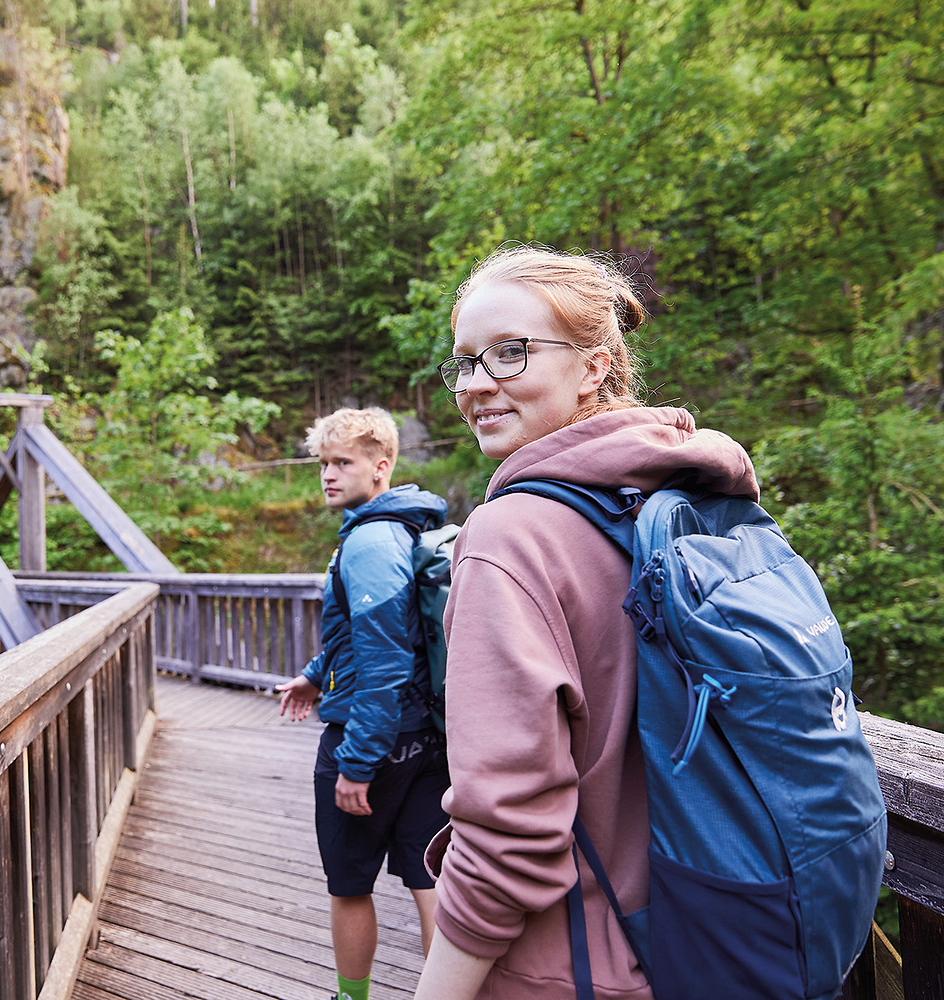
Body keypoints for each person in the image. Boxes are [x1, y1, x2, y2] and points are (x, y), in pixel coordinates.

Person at [412, 246, 759, 1000]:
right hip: (704, 939)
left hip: (566, 966)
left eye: (511, 353)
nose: (477, 384)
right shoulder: (682, 506)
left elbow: (509, 831)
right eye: (465, 362)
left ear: (595, 367)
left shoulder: (511, 538)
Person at [277, 406, 452, 1000]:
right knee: (429, 878)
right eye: (324, 463)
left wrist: (357, 763)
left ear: (380, 467)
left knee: (350, 885)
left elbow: (383, 663)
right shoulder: (401, 528)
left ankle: (352, 998)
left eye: (342, 463)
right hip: (427, 739)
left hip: (377, 743)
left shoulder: (369, 542)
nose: (327, 474)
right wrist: (312, 676)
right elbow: (368, 637)